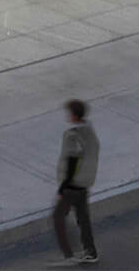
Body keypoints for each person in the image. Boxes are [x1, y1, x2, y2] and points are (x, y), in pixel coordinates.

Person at [53, 99, 99, 265]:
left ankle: (68, 256)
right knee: (83, 219)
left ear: (73, 115)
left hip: (72, 186)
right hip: (85, 184)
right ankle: (90, 252)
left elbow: (71, 164)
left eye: (69, 113)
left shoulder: (72, 135)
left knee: (58, 217)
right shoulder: (90, 131)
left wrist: (62, 189)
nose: (68, 116)